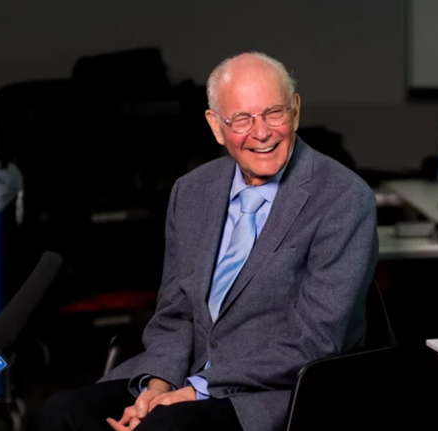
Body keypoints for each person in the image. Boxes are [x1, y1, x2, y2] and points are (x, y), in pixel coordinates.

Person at [29, 52, 378, 431]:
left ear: (294, 111)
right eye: (242, 119)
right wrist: (157, 383)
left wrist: (196, 390)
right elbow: (175, 314)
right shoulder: (192, 191)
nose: (261, 132)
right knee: (59, 414)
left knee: (162, 428)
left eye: (273, 113)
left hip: (271, 393)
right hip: (181, 376)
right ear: (216, 126)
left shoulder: (343, 197)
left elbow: (317, 339)